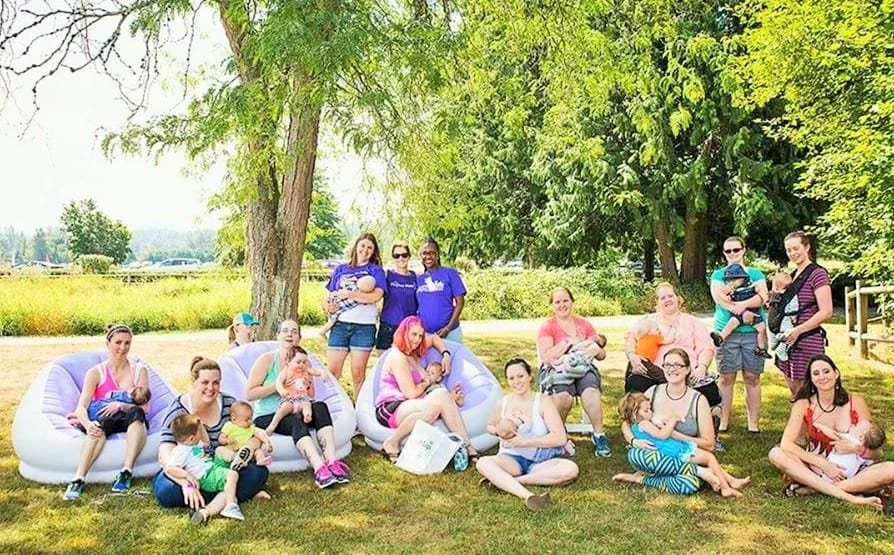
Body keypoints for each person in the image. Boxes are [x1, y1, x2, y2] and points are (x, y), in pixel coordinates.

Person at [769, 355, 893, 510]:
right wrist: (823, 464)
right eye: (816, 373)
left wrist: (857, 449)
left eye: (826, 371)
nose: (822, 377)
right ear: (811, 379)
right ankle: (851, 496)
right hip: (816, 467)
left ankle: (814, 487)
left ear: (836, 373)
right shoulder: (803, 403)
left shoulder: (856, 402)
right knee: (776, 453)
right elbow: (786, 444)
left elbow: (877, 452)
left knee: (891, 469)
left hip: (854, 471)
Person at [153, 356, 270, 512]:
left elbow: (252, 434)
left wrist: (251, 446)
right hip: (190, 471)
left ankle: (215, 499)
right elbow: (165, 455)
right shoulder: (178, 411)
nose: (211, 388)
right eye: (205, 382)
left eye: (216, 382)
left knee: (259, 473)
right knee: (167, 492)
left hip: (222, 468)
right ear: (193, 382)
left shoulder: (230, 404)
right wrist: (186, 484)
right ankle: (233, 494)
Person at [247, 322, 350, 488]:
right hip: (269, 414)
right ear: (278, 335)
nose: (289, 334)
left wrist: (306, 382)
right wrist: (280, 386)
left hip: (297, 406)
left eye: (294, 331)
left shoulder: (304, 362)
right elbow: (250, 394)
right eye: (285, 330)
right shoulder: (267, 360)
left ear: (299, 338)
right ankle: (319, 469)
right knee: (294, 421)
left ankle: (332, 462)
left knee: (320, 406)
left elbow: (311, 395)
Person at [476, 358, 579, 512]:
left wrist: (525, 442)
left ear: (529, 376)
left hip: (540, 462)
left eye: (520, 376)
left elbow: (560, 437)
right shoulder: (503, 403)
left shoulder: (543, 401)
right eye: (511, 378)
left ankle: (514, 481)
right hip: (511, 459)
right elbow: (490, 426)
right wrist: (499, 432)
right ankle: (527, 496)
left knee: (570, 469)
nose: (516, 382)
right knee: (483, 463)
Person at [62, 324, 150, 501]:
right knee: (100, 425)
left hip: (130, 418)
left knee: (137, 413)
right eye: (118, 342)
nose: (123, 347)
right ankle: (78, 479)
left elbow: (145, 408)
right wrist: (88, 424)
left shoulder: (139, 370)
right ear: (108, 344)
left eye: (127, 343)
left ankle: (126, 472)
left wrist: (120, 405)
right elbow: (81, 407)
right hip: (106, 419)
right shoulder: (96, 373)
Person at [376, 316, 475, 462]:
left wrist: (446, 355)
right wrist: (427, 381)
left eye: (420, 335)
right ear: (404, 333)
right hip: (391, 407)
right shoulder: (398, 356)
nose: (417, 339)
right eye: (413, 334)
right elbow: (411, 393)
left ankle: (465, 445)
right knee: (440, 396)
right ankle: (469, 447)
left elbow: (434, 338)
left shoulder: (413, 350)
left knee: (433, 410)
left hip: (411, 403)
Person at [619, 348, 718, 495]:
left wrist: (677, 436)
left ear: (688, 369)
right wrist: (634, 441)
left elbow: (709, 444)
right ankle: (698, 472)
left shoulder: (698, 400)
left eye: (677, 365)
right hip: (657, 457)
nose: (672, 369)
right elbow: (627, 422)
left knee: (689, 484)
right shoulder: (652, 392)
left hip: (683, 455)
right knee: (634, 455)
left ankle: (644, 479)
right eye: (668, 365)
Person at [614, 392, 750, 498]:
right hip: (675, 452)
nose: (651, 412)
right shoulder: (643, 424)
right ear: (634, 413)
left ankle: (730, 480)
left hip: (671, 453)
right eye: (646, 410)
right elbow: (662, 435)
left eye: (650, 409)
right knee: (709, 458)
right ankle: (725, 488)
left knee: (709, 459)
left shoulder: (639, 426)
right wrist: (673, 420)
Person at [537, 287, 611, 457]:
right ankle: (558, 435)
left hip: (582, 367)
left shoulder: (584, 324)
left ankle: (599, 435)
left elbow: (601, 354)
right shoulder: (548, 327)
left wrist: (596, 350)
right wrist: (567, 343)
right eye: (557, 302)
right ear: (552, 305)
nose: (562, 305)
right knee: (564, 397)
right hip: (557, 368)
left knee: (591, 391)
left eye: (566, 300)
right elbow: (547, 357)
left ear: (572, 302)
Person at [710, 237, 767, 434]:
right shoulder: (719, 275)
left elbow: (762, 297)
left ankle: (753, 424)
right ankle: (723, 421)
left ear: (744, 250)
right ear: (724, 253)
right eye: (728, 251)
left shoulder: (756, 273)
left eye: (736, 249)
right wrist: (743, 312)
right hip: (727, 333)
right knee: (726, 378)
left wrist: (743, 306)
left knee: (752, 377)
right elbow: (720, 299)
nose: (732, 254)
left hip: (753, 333)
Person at [323, 232, 387, 396]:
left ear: (374, 251)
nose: (365, 250)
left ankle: (358, 408)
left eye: (370, 248)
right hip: (340, 326)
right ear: (356, 246)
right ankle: (330, 406)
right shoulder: (341, 269)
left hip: (363, 328)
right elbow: (329, 296)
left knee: (358, 375)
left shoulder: (376, 271)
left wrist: (350, 294)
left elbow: (376, 296)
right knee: (332, 372)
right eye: (363, 245)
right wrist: (327, 306)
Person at [775, 231, 833, 396]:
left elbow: (826, 311)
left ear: (807, 247)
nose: (793, 253)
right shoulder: (791, 276)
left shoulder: (817, 274)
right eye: (789, 250)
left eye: (796, 248)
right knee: (795, 392)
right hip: (788, 341)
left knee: (810, 392)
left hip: (807, 340)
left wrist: (798, 330)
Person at [165, 414, 245, 523]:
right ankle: (231, 506)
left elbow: (206, 442)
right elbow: (169, 469)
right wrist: (187, 475)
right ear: (191, 438)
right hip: (206, 476)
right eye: (199, 431)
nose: (201, 433)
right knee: (232, 475)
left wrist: (200, 425)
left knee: (219, 450)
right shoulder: (180, 451)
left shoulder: (194, 443)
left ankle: (236, 458)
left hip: (212, 467)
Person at [263, 344, 329, 434]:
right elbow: (279, 382)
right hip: (290, 399)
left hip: (302, 398)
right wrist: (282, 391)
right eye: (298, 362)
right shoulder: (286, 371)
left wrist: (322, 373)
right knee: (283, 409)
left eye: (304, 362)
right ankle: (273, 424)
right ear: (288, 361)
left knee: (307, 405)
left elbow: (315, 371)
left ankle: (307, 416)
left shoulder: (306, 370)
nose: (302, 365)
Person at [710, 263, 771, 358]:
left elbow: (761, 292)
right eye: (729, 280)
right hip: (738, 313)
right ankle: (721, 337)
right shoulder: (731, 289)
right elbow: (720, 294)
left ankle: (761, 348)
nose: (731, 282)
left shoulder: (751, 286)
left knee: (762, 328)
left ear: (742, 278)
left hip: (754, 313)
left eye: (734, 280)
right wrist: (726, 298)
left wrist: (766, 300)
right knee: (732, 323)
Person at [416, 238, 467, 342]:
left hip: (451, 333)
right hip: (426, 334)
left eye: (432, 252)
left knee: (452, 353)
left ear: (438, 255)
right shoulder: (419, 279)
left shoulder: (450, 273)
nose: (428, 256)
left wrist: (448, 328)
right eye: (424, 253)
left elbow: (460, 302)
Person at [809, 420, 886, 483]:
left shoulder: (849, 438)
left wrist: (818, 426)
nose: (852, 425)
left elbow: (832, 433)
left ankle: (814, 483)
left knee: (814, 459)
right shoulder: (865, 455)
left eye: (855, 425)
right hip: (845, 478)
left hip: (829, 471)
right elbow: (872, 460)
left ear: (861, 436)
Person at [375, 241, 418, 351]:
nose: (400, 258)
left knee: (407, 360)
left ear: (409, 256)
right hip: (388, 326)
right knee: (384, 360)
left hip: (408, 328)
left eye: (404, 255)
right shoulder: (387, 275)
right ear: (393, 258)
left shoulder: (415, 277)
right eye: (396, 255)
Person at [319, 275, 377, 340]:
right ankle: (323, 332)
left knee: (332, 320)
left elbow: (342, 284)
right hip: (338, 303)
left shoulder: (358, 293)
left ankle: (322, 332)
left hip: (339, 305)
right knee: (332, 319)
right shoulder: (356, 289)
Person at [218, 401, 273, 467]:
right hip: (232, 450)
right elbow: (221, 439)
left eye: (251, 418)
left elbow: (259, 434)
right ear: (234, 419)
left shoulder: (251, 427)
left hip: (247, 453)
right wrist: (227, 440)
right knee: (220, 450)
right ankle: (235, 459)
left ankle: (260, 459)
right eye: (246, 420)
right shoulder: (229, 425)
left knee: (258, 451)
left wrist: (267, 442)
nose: (250, 421)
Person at [766, 272, 797, 362]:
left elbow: (767, 304)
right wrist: (794, 316)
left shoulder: (774, 294)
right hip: (781, 319)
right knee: (786, 332)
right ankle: (777, 346)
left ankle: (777, 345)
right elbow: (794, 306)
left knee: (775, 331)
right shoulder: (790, 295)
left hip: (776, 318)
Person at [86, 385, 151, 424]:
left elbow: (109, 395)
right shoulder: (131, 407)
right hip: (104, 414)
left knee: (95, 409)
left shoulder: (123, 394)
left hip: (99, 407)